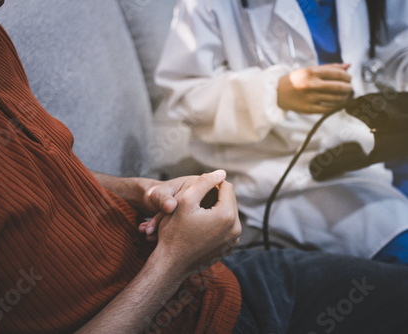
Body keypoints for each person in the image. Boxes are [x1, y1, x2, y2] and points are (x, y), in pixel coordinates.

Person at [0, 1, 408, 333]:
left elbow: (37, 170)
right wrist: (174, 261)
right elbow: (187, 100)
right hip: (185, 285)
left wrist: (136, 188)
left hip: (220, 284)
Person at [155, 0, 408, 262]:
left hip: (377, 139)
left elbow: (396, 47)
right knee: (400, 245)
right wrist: (275, 93)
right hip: (286, 165)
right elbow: (185, 94)